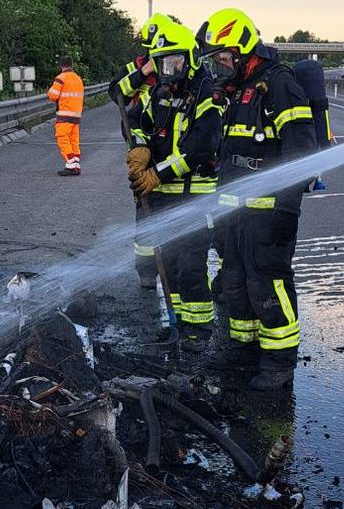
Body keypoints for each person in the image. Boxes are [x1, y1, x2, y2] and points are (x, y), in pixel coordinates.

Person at [197, 8, 316, 390]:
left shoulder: (278, 85)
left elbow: (300, 150)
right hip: (233, 210)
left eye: (223, 57)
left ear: (244, 49)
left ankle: (279, 361)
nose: (220, 66)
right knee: (235, 279)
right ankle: (243, 347)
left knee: (268, 283)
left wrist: (287, 207)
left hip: (268, 212)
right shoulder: (236, 92)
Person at [125, 22, 224, 352]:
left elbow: (200, 150)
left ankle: (200, 329)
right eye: (164, 63)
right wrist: (140, 148)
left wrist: (157, 174)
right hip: (165, 195)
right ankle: (179, 321)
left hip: (194, 195)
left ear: (191, 59)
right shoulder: (161, 93)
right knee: (167, 261)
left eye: (175, 62)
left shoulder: (207, 97)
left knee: (191, 265)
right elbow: (140, 122)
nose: (170, 71)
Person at [109, 13, 174, 286]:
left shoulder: (174, 65)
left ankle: (173, 264)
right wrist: (143, 72)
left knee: (172, 203)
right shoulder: (134, 69)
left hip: (169, 143)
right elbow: (116, 93)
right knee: (145, 209)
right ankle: (147, 271)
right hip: (140, 147)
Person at [108, 13, 173, 108]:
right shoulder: (135, 66)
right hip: (140, 120)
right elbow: (115, 95)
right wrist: (141, 73)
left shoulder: (179, 69)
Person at [47, 55, 85, 176]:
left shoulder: (61, 78)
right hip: (76, 115)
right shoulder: (78, 79)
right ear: (71, 65)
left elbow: (53, 96)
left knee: (62, 137)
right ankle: (76, 164)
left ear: (61, 65)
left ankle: (70, 163)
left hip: (64, 114)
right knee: (74, 139)